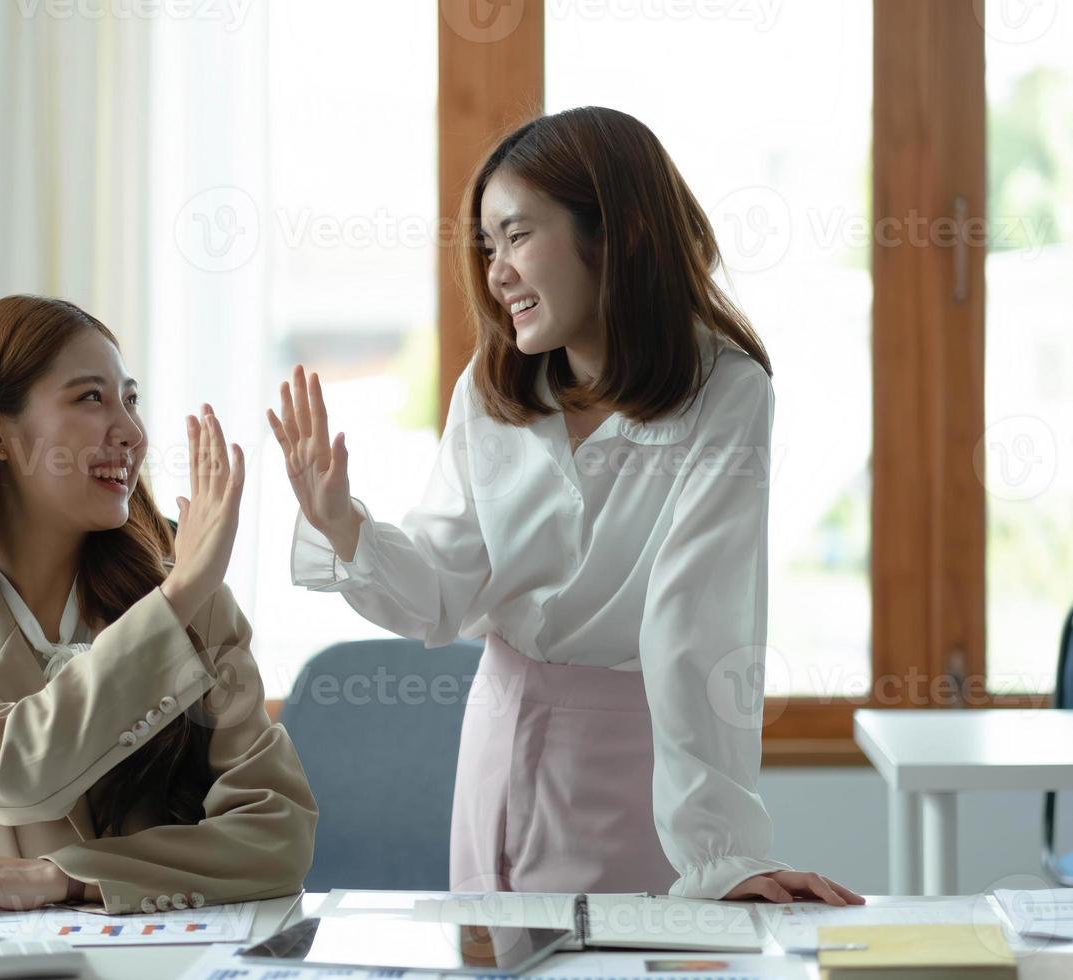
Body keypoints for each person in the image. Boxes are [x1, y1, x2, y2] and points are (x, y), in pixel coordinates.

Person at [268, 108, 862, 906]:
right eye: (487, 247)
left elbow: (697, 625)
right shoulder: (491, 392)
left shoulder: (724, 391)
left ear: (617, 233)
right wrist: (343, 524)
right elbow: (443, 595)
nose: (496, 272)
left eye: (517, 236)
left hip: (634, 768)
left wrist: (720, 856)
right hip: (497, 742)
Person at [0, 294, 316, 916]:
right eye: (91, 398)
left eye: (131, 400)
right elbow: (11, 772)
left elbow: (277, 835)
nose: (132, 433)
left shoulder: (198, 610)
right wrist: (174, 602)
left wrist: (65, 877)